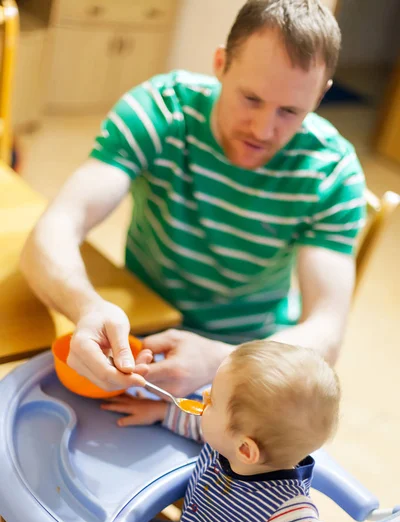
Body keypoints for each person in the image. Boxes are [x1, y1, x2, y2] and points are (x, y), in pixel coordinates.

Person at [20, 0, 366, 400]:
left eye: (290, 111)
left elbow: (327, 330)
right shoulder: (162, 110)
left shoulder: (333, 172)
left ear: (321, 95)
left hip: (252, 357)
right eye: (251, 98)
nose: (262, 129)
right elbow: (57, 225)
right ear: (220, 63)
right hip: (141, 331)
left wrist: (224, 359)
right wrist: (85, 306)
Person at [59, 340, 347, 522]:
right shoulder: (231, 444)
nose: (204, 396)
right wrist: (163, 412)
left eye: (212, 402)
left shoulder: (285, 514)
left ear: (246, 450)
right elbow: (204, 425)